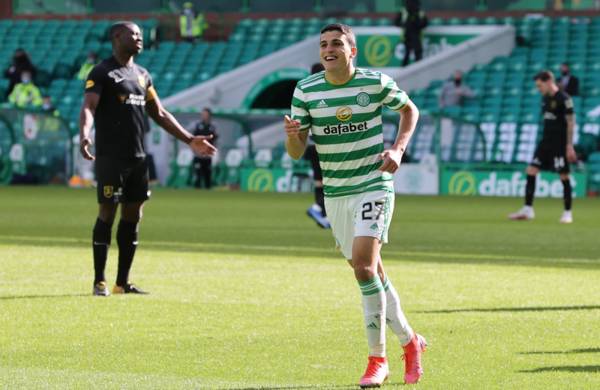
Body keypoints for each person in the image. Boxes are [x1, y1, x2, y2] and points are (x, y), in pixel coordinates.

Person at [285, 23, 426, 387]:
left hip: (373, 183)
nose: (328, 49)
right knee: (371, 272)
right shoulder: (306, 90)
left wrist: (398, 149)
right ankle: (410, 342)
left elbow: (410, 110)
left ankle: (377, 360)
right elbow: (297, 151)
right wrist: (292, 138)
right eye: (323, 44)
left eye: (336, 44)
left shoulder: (374, 82)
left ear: (352, 51)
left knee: (363, 268)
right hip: (336, 194)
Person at [80, 21, 216, 297]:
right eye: (134, 34)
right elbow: (89, 107)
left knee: (134, 215)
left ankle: (122, 283)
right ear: (117, 36)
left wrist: (190, 139)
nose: (140, 38)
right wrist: (84, 134)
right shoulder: (102, 72)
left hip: (138, 159)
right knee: (107, 212)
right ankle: (99, 281)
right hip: (110, 159)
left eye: (141, 35)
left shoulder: (142, 75)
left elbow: (161, 114)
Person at [509, 70, 576, 223]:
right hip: (545, 142)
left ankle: (567, 213)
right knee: (531, 170)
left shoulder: (564, 99)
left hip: (559, 144)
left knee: (564, 176)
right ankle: (528, 209)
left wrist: (569, 146)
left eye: (540, 85)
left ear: (548, 82)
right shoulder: (545, 99)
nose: (539, 89)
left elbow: (571, 122)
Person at [304, 62, 330, 229]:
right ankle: (318, 208)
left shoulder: (306, 92)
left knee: (319, 181)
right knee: (333, 183)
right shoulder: (326, 91)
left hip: (311, 145)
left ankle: (324, 218)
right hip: (325, 145)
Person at [394, 0, 428, 67]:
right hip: (407, 36)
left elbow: (425, 23)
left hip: (416, 36)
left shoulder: (419, 12)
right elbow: (396, 22)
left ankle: (417, 70)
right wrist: (405, 25)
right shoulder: (404, 12)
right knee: (407, 55)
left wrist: (418, 24)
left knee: (417, 54)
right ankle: (404, 72)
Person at [191, 107, 218, 189]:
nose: (204, 116)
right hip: (198, 155)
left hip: (208, 155)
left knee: (207, 175)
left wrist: (213, 150)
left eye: (205, 114)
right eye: (202, 114)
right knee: (197, 175)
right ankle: (196, 193)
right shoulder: (198, 126)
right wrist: (195, 150)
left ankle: (208, 194)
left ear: (209, 115)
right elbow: (193, 139)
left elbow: (215, 140)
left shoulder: (212, 127)